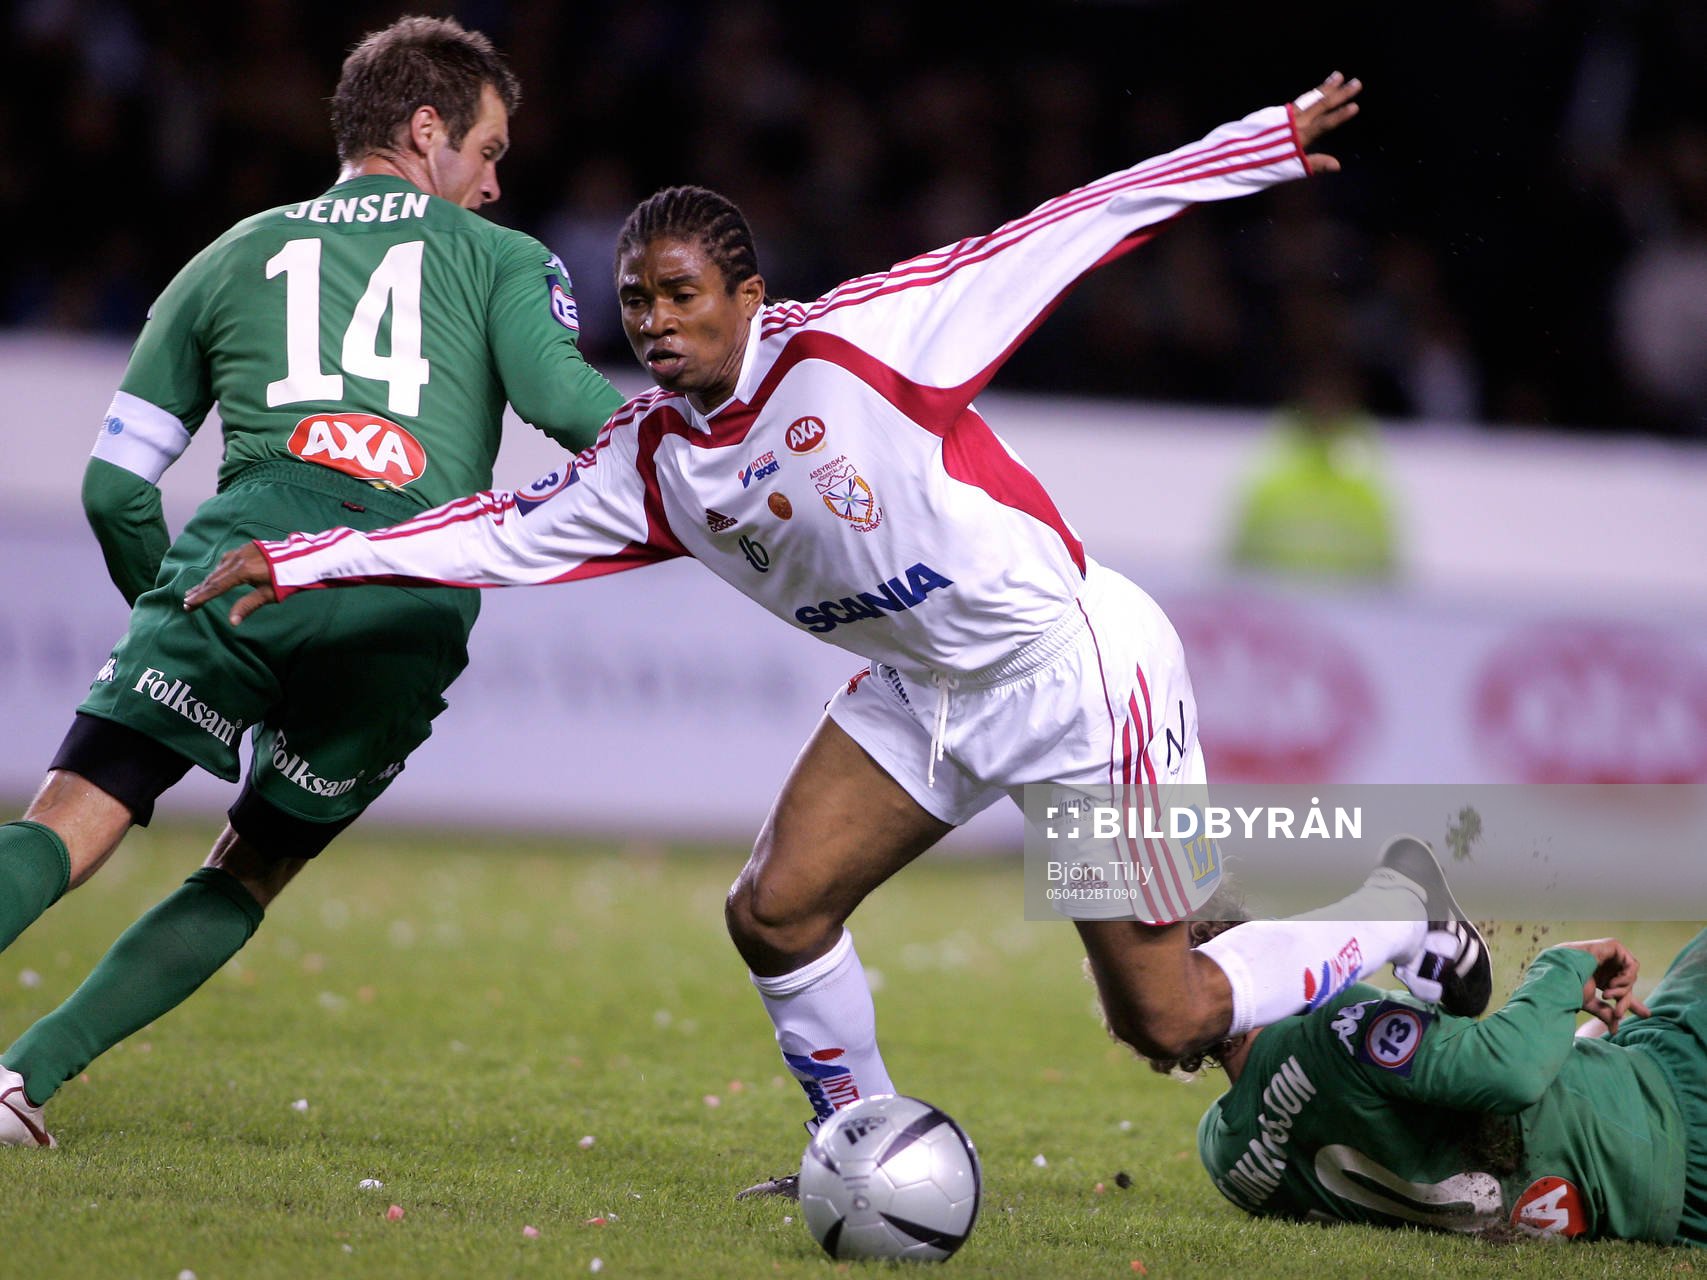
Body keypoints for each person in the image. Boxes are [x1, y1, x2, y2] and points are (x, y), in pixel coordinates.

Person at [184, 74, 1488, 1195]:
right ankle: (860, 1143)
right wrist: (307, 562)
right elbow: (486, 533)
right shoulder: (650, 463)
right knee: (776, 908)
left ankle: (1395, 913)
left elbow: (1066, 228)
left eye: (681, 294)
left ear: (748, 294)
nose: (651, 321)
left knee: (1163, 1016)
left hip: (1072, 672)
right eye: (633, 299)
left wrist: (1254, 143)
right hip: (924, 689)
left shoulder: (862, 343)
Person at [0, 15, 622, 1148]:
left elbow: (113, 490)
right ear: (425, 129)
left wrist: (179, 606)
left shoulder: (229, 256)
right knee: (249, 865)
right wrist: (723, 434)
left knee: (70, 820)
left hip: (247, 562)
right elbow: (574, 410)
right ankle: (24, 1077)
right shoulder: (507, 261)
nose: (491, 184)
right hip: (409, 599)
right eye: (486, 151)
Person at [1174, 920, 1703, 1247]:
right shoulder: (1328, 1029)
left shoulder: (1224, 1153)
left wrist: (1579, 1029)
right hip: (1671, 1110)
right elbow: (1509, 1071)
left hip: (1668, 1213)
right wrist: (1562, 967)